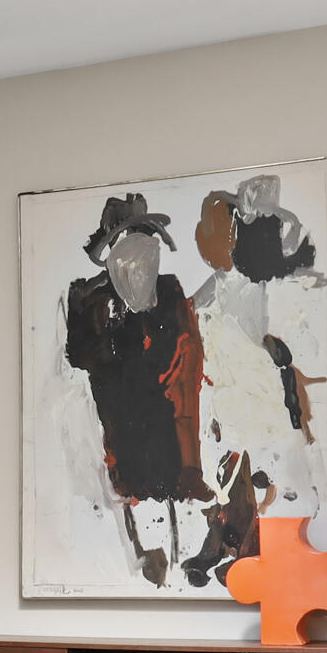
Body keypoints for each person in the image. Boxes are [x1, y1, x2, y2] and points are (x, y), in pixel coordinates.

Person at [64, 193, 210, 584]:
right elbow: (81, 361)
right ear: (113, 257)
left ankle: (177, 562)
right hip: (118, 428)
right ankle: (145, 561)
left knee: (170, 501)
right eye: (132, 254)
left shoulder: (170, 294)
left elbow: (182, 362)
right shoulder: (86, 299)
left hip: (163, 425)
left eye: (150, 253)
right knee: (132, 498)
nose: (143, 264)